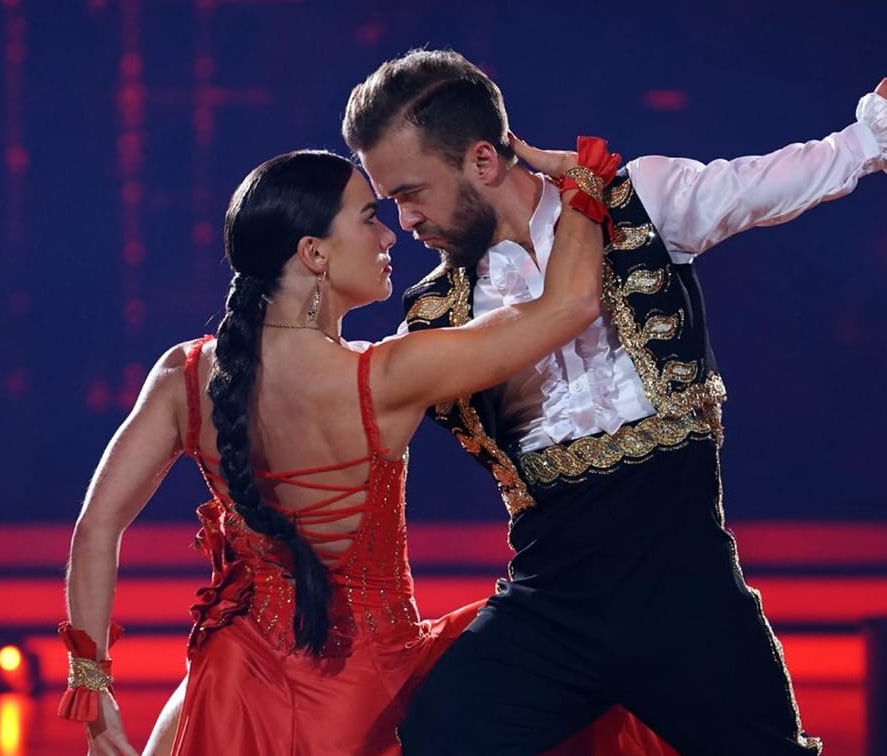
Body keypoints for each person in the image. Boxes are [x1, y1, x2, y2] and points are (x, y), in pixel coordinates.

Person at [340, 48, 887, 755]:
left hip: (690, 595)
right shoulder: (433, 317)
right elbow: (346, 398)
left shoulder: (641, 204)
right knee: (439, 736)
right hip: (552, 608)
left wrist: (873, 134)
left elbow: (771, 179)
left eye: (412, 192)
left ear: (482, 161)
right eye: (391, 202)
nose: (405, 219)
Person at [59, 147, 672, 755]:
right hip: (371, 699)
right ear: (314, 253)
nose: (389, 234)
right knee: (588, 650)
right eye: (367, 217)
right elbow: (569, 305)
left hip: (231, 693)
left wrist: (94, 687)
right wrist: (584, 187)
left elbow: (95, 528)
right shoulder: (385, 377)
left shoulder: (184, 376)